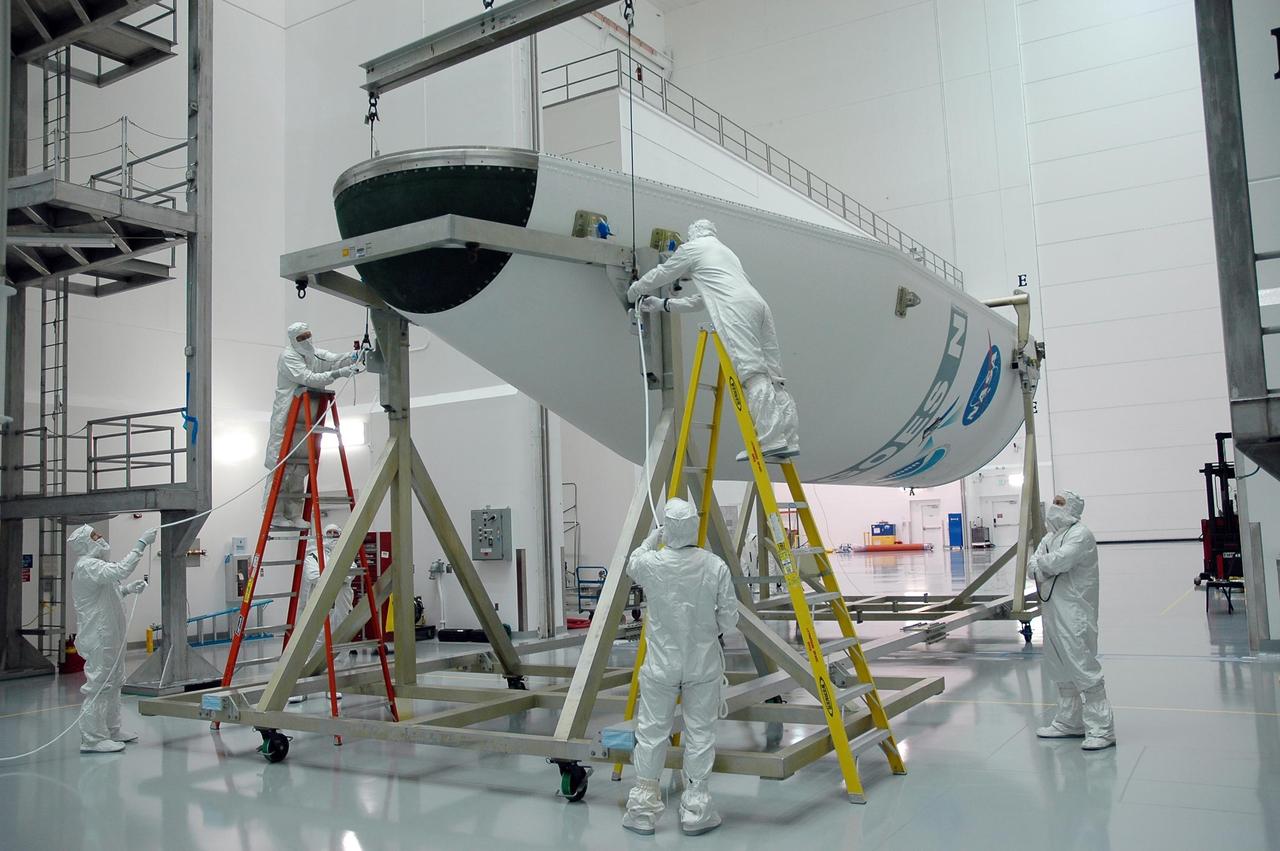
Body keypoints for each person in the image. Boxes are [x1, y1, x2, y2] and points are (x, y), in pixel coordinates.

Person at [626, 219, 800, 459]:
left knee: (752, 374)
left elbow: (663, 273)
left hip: (736, 309)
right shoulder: (726, 253)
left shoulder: (693, 248)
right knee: (774, 376)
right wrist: (664, 305)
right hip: (758, 305)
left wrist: (635, 289)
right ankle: (789, 438)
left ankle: (770, 440)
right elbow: (703, 299)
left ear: (693, 234)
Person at [622, 498, 738, 836]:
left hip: (661, 664)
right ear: (693, 526)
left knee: (652, 733)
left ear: (667, 530)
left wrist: (651, 538)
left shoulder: (652, 563)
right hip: (702, 663)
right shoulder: (714, 565)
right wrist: (707, 630)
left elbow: (633, 561)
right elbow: (729, 616)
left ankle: (643, 810)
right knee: (700, 733)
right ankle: (696, 811)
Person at [1030, 490, 1116, 751]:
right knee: (1059, 667)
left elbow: (1058, 562)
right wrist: (1040, 564)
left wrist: (1040, 564)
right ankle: (1069, 722)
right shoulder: (1049, 537)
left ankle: (1102, 729)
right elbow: (1034, 563)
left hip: (1075, 612)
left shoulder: (1080, 535)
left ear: (1073, 509)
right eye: (1054, 502)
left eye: (1060, 504)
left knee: (1082, 667)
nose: (1054, 507)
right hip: (1053, 611)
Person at [67, 523, 157, 753]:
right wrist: (141, 544)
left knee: (115, 681)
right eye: (95, 535)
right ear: (85, 542)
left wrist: (128, 589)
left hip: (110, 633)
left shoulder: (97, 566)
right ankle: (93, 738)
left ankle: (112, 729)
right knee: (100, 683)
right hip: (99, 635)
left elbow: (109, 592)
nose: (100, 538)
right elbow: (120, 570)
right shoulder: (87, 566)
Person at [264, 322, 362, 527]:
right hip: (289, 417)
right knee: (283, 467)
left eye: (308, 335)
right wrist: (338, 374)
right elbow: (308, 378)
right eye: (302, 337)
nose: (307, 340)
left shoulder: (315, 354)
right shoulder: (288, 357)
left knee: (301, 468)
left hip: (308, 418)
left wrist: (353, 356)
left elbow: (333, 359)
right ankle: (275, 515)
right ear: (293, 340)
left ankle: (293, 513)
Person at [288, 523, 357, 704]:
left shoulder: (346, 554)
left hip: (340, 613)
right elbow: (313, 576)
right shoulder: (313, 556)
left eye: (336, 533)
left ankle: (333, 687)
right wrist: (337, 575)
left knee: (338, 652)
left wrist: (331, 575)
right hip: (319, 612)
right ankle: (303, 688)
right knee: (310, 649)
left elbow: (350, 573)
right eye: (330, 533)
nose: (333, 536)